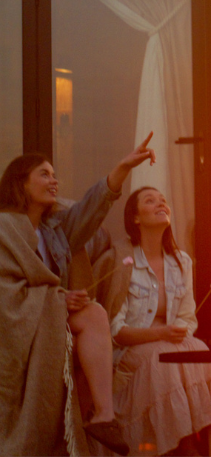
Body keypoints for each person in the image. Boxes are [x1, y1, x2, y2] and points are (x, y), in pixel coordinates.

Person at [0, 135, 157, 457]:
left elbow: (93, 207)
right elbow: (5, 291)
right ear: (21, 183)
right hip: (14, 327)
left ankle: (103, 416)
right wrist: (57, 300)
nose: (54, 181)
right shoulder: (4, 227)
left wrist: (124, 167)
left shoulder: (56, 230)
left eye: (55, 174)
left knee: (95, 312)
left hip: (49, 319)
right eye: (44, 174)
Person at [94, 187, 211, 456]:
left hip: (169, 343)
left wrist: (177, 333)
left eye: (164, 201)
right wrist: (160, 334)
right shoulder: (122, 260)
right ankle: (181, 447)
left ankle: (196, 442)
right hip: (130, 352)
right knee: (166, 356)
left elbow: (187, 318)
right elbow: (115, 331)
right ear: (135, 218)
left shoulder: (181, 261)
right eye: (150, 201)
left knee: (198, 351)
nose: (161, 204)